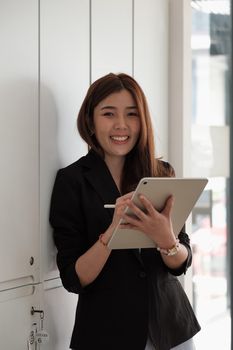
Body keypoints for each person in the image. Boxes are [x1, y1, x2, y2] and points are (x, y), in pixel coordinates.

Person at [49, 73, 200, 350]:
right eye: (108, 113)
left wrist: (167, 240)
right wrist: (111, 232)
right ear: (90, 121)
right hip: (106, 331)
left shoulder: (162, 174)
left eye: (132, 114)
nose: (121, 125)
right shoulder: (72, 181)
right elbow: (73, 278)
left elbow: (181, 262)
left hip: (170, 329)